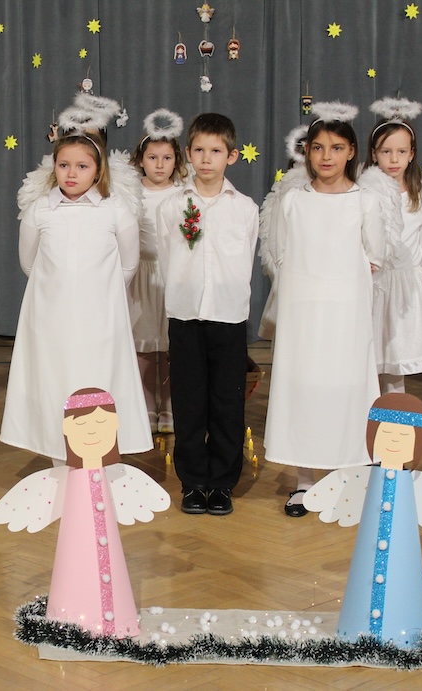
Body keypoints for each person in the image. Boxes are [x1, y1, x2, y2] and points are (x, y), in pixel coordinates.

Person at [261, 102, 387, 517]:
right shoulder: (292, 201)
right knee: (305, 388)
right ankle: (304, 481)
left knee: (346, 387)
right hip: (303, 312)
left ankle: (348, 474)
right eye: (317, 148)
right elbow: (281, 252)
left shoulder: (365, 201)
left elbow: (375, 254)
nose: (326, 156)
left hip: (346, 313)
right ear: (307, 152)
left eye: (336, 148)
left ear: (351, 152)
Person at [0, 130, 152, 463]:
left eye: (82, 166)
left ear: (97, 171)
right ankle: (59, 457)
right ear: (53, 166)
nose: (71, 173)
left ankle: (100, 462)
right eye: (64, 165)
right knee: (56, 382)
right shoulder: (40, 210)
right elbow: (29, 263)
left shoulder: (115, 210)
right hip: (51, 321)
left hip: (100, 321)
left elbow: (128, 264)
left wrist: (99, 294)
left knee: (97, 381)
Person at [303, 393, 422, 647]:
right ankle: (354, 631)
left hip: (411, 628)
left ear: (416, 443)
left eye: (403, 436)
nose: (394, 441)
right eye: (387, 434)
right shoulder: (361, 480)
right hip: (353, 622)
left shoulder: (418, 484)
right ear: (373, 437)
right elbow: (323, 496)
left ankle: (409, 636)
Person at [0, 388, 169, 639]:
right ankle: (69, 621)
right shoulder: (64, 480)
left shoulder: (118, 475)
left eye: (100, 423)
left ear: (114, 425)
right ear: (68, 430)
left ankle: (119, 622)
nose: (92, 431)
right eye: (82, 424)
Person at [155, 113, 259, 516]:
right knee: (188, 401)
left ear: (231, 156)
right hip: (185, 315)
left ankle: (222, 483)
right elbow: (167, 256)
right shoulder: (172, 206)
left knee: (226, 402)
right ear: (187, 153)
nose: (206, 158)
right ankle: (193, 482)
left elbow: (246, 257)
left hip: (228, 317)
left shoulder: (244, 208)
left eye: (215, 151)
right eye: (198, 150)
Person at [366, 97, 422, 394]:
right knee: (366, 358)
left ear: (412, 154)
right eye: (386, 151)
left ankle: (392, 419)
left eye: (401, 151)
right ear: (374, 154)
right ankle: (361, 417)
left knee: (395, 362)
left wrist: (411, 273)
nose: (394, 159)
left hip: (404, 287)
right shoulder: (364, 192)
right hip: (372, 285)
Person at [127, 109, 186, 435]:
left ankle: (171, 405)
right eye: (153, 157)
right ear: (141, 160)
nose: (160, 165)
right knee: (145, 344)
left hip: (173, 277)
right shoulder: (131, 193)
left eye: (166, 158)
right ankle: (148, 405)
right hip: (141, 277)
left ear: (176, 161)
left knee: (172, 345)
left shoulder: (183, 194)